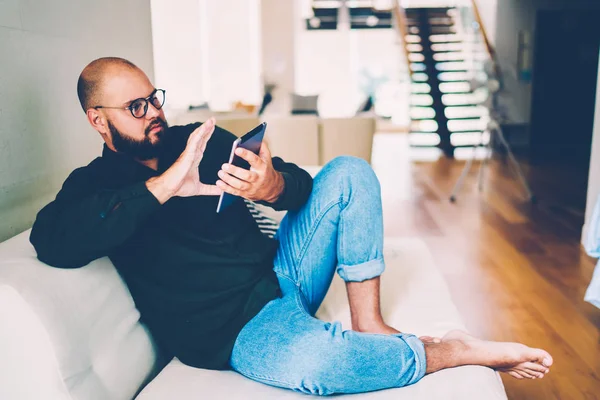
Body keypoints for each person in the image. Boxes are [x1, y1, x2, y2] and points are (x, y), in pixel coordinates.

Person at [30, 57, 553, 396]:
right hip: (232, 328)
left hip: (284, 271)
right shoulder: (91, 187)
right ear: (99, 120)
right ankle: (452, 349)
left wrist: (271, 186)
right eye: (136, 106)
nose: (155, 113)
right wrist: (166, 186)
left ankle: (368, 320)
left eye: (155, 97)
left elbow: (303, 185)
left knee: (349, 170)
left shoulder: (197, 138)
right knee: (321, 365)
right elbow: (52, 243)